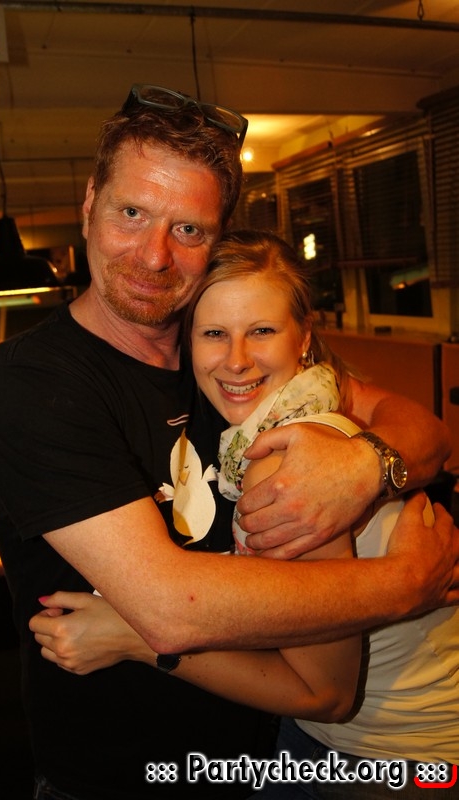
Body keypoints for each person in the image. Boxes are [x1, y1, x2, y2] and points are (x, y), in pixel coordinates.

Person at [0, 84, 458, 800]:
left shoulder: (226, 361)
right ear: (90, 202)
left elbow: (426, 432)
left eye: (189, 230)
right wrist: (405, 584)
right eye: (131, 213)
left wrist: (365, 464)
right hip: (123, 778)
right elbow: (168, 608)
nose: (154, 256)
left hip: (271, 753)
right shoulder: (35, 381)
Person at [33, 231, 458, 798]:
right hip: (331, 742)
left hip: (391, 757)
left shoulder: (286, 464)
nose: (236, 360)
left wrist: (134, 636)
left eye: (261, 331)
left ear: (303, 337)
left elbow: (325, 695)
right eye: (214, 333)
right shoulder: (287, 410)